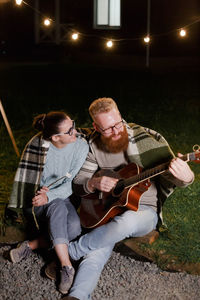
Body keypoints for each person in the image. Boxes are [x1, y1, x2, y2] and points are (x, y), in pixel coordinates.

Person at [60, 97, 194, 300]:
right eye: (107, 129)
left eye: (117, 124)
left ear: (121, 116)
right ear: (96, 127)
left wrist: (187, 177)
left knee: (126, 221)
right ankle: (77, 295)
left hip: (143, 211)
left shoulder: (146, 139)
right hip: (109, 208)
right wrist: (94, 183)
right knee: (96, 251)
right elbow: (79, 183)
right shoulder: (93, 146)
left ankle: (70, 252)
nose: (115, 132)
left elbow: (175, 176)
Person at [8, 111, 89, 294]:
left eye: (73, 125)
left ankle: (31, 245)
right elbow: (29, 182)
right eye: (69, 131)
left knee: (75, 228)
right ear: (55, 137)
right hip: (37, 200)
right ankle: (67, 267)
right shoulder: (37, 147)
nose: (75, 132)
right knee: (58, 206)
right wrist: (43, 194)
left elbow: (70, 183)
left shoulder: (81, 146)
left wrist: (50, 195)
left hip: (61, 195)